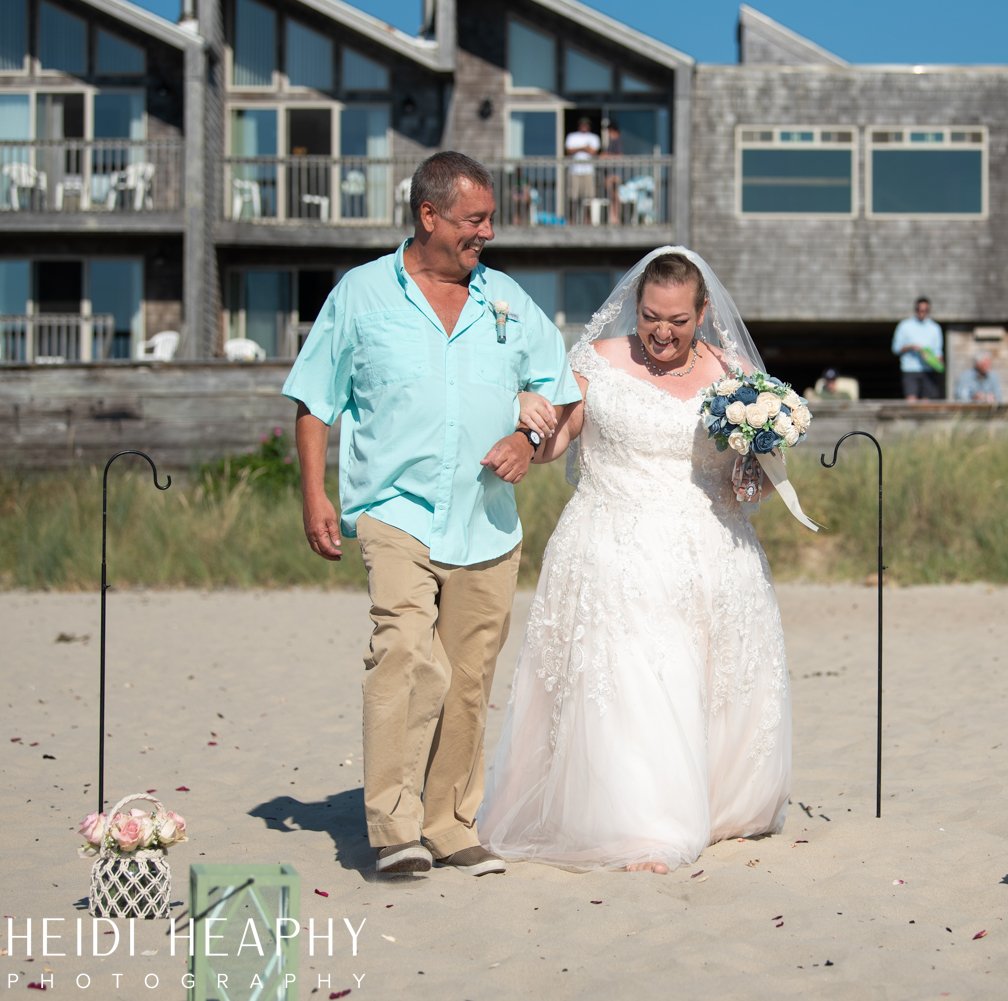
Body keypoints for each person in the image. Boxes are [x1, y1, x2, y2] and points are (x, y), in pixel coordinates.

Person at [282, 151, 582, 878]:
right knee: (405, 650)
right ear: (429, 215)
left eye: (487, 219)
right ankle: (393, 826)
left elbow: (564, 390)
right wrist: (315, 493)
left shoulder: (506, 297)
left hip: (486, 521)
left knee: (468, 674)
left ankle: (449, 822)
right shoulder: (360, 295)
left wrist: (526, 436)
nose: (487, 232)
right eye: (474, 219)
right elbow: (315, 399)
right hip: (394, 510)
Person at [478, 247, 796, 874]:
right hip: (613, 542)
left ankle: (721, 802)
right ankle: (645, 823)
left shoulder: (733, 378)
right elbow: (561, 437)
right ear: (636, 306)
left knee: (707, 674)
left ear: (702, 314)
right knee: (637, 677)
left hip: (711, 549)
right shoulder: (596, 362)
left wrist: (754, 461)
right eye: (652, 316)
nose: (661, 332)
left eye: (677, 321)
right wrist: (526, 437)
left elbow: (745, 485)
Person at [891, 297, 944, 401]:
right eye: (920, 310)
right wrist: (910, 347)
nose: (922, 313)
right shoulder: (904, 326)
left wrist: (938, 361)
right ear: (915, 309)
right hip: (910, 369)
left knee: (926, 403)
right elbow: (896, 348)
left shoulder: (935, 328)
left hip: (928, 369)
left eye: (925, 310)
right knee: (911, 400)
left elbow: (938, 352)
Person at [563, 117, 601, 224]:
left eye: (586, 124)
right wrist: (584, 148)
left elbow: (594, 151)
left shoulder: (594, 137)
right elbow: (569, 150)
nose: (584, 126)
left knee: (588, 197)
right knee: (573, 196)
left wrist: (579, 148)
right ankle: (571, 220)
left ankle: (587, 220)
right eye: (582, 124)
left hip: (588, 171)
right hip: (574, 171)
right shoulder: (572, 136)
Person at [599, 121, 624, 224]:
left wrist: (606, 156)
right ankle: (613, 216)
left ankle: (615, 217)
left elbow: (620, 156)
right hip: (612, 172)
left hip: (615, 173)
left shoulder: (617, 141)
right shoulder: (611, 142)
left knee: (615, 195)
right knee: (613, 195)